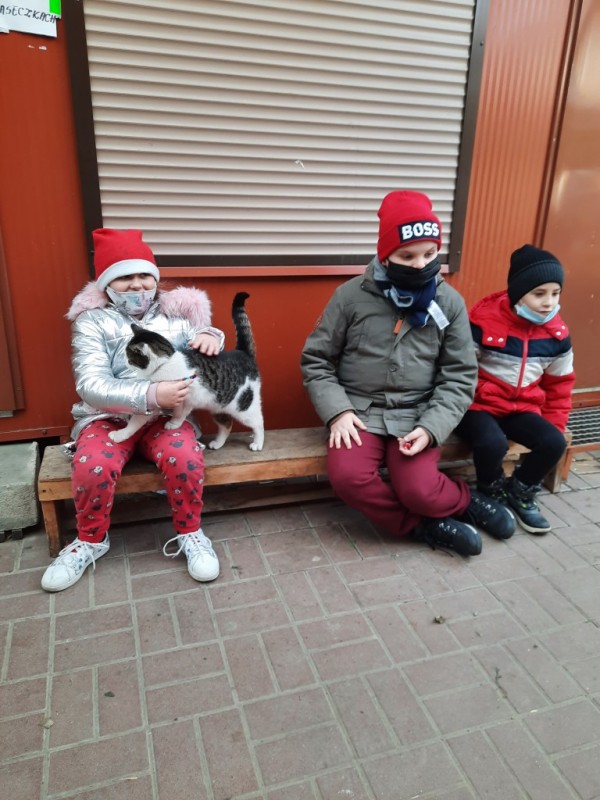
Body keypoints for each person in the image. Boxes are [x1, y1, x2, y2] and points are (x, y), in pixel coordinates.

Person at [301, 190, 515, 557]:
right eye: (407, 256)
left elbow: (460, 376)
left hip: (417, 413)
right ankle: (420, 526)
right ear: (385, 254)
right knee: (349, 478)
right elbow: (316, 360)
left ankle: (464, 501)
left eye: (430, 255)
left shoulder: (449, 302)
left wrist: (431, 427)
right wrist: (338, 412)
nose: (419, 265)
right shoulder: (350, 297)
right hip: (360, 412)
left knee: (418, 488)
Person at [41, 228, 224, 592]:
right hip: (108, 417)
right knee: (93, 463)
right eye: (125, 277)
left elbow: (200, 343)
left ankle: (190, 531)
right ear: (107, 283)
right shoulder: (92, 321)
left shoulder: (177, 314)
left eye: (144, 275)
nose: (137, 285)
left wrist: (212, 335)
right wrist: (151, 394)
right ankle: (90, 539)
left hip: (167, 417)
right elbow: (90, 384)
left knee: (185, 456)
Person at [455, 244, 575, 534]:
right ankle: (491, 489)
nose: (549, 302)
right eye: (539, 294)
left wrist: (553, 425)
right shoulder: (482, 323)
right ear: (518, 293)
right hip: (479, 405)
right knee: (492, 443)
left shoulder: (557, 336)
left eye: (555, 293)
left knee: (554, 441)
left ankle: (520, 490)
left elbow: (560, 385)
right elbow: (459, 369)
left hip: (521, 408)